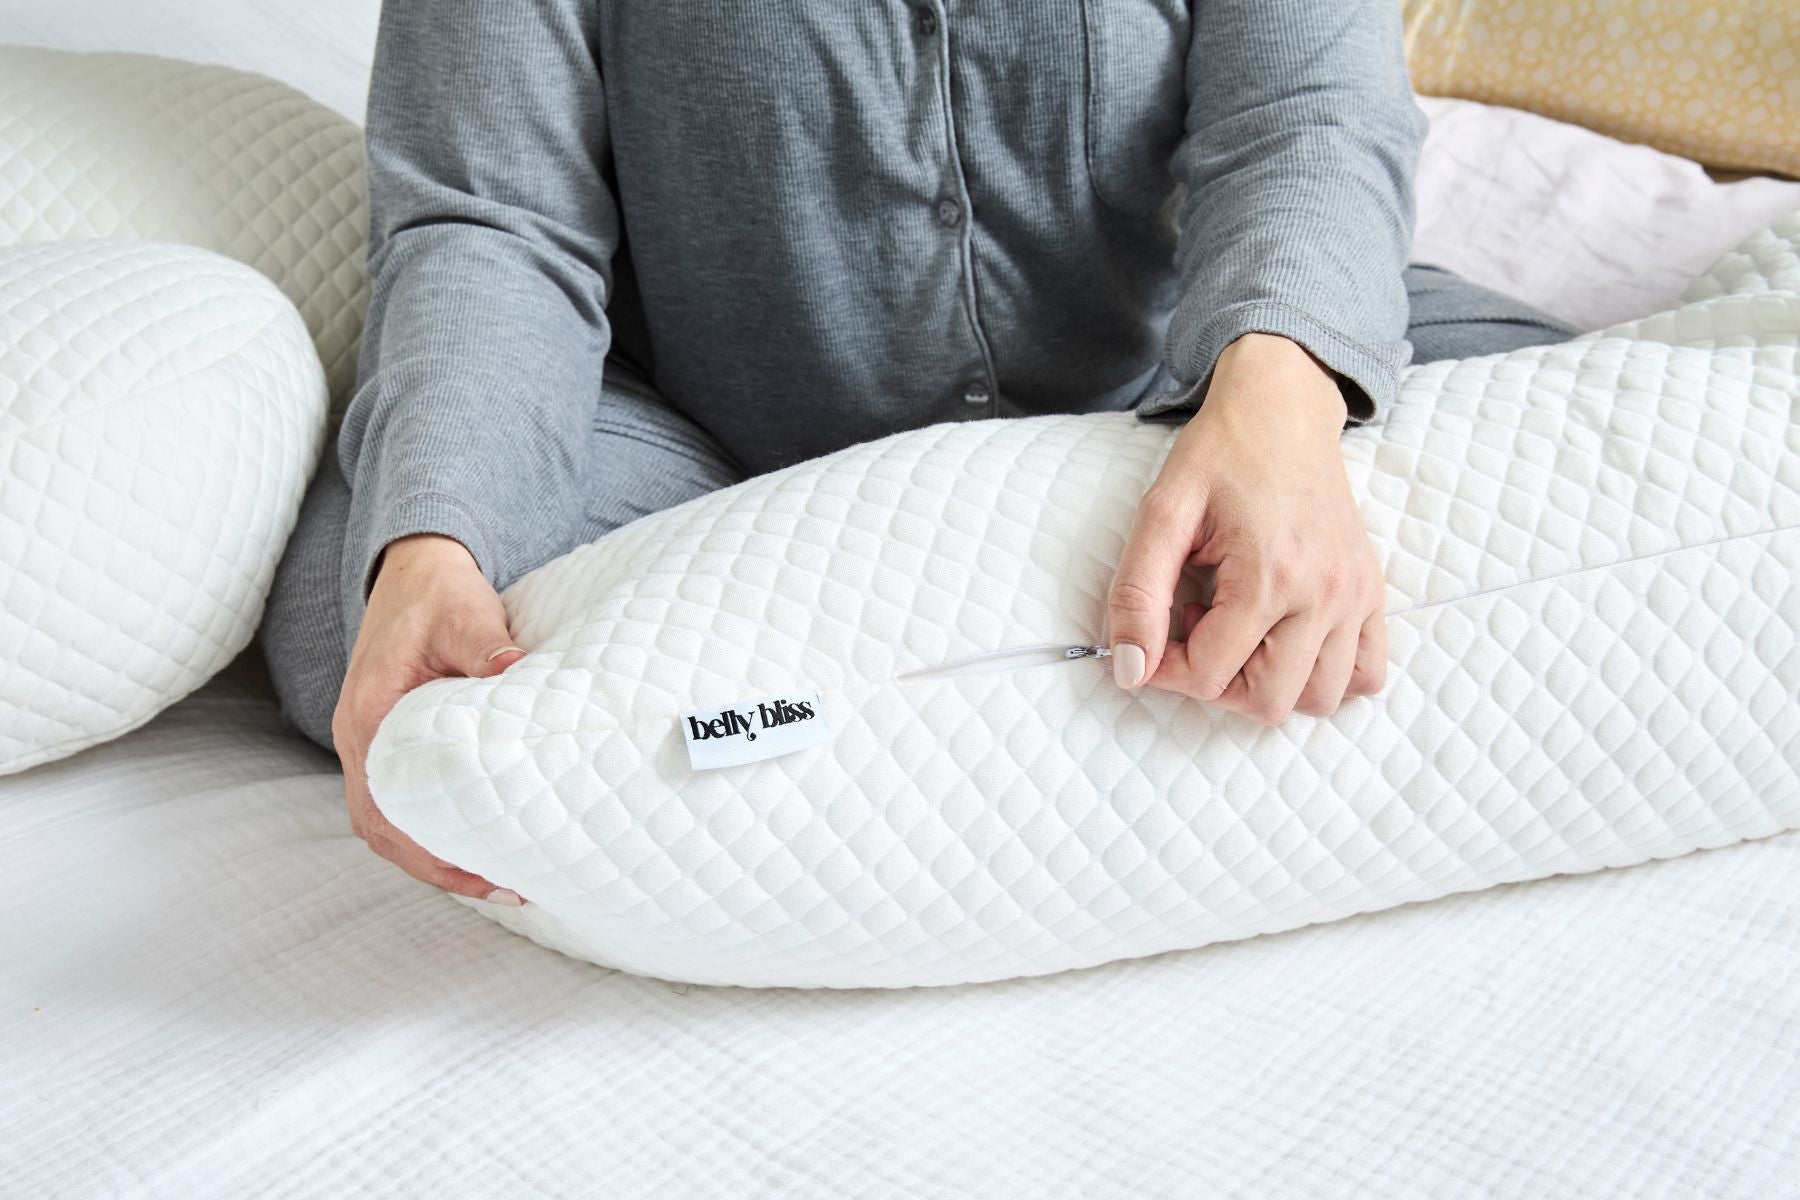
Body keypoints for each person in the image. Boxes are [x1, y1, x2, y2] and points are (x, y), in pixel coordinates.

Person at [262, 0, 1576, 907]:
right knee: (372, 604)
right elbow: (496, 222)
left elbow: (1305, 114)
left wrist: (1281, 401)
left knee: (1626, 438)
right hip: (716, 452)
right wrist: (433, 547)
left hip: (1193, 385)